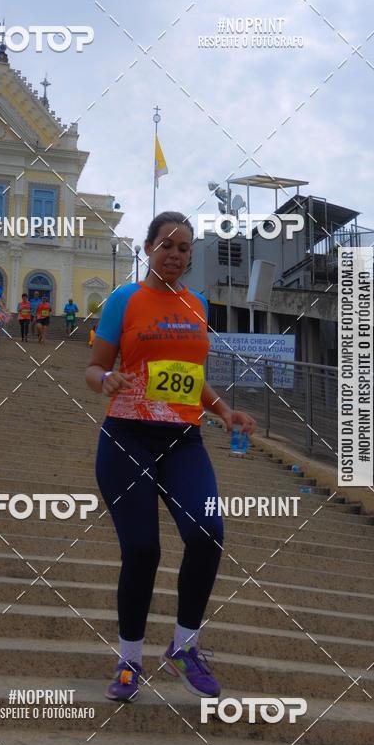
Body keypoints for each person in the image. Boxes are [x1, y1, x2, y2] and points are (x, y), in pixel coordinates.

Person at [86, 211, 257, 703]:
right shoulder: (125, 299)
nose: (176, 254)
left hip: (183, 439)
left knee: (208, 533)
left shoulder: (198, 304)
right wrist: (106, 380)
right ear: (148, 248)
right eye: (167, 244)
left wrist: (224, 411)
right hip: (127, 439)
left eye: (184, 248)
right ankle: (129, 658)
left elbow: (190, 376)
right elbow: (94, 368)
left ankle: (184, 647)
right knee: (143, 551)